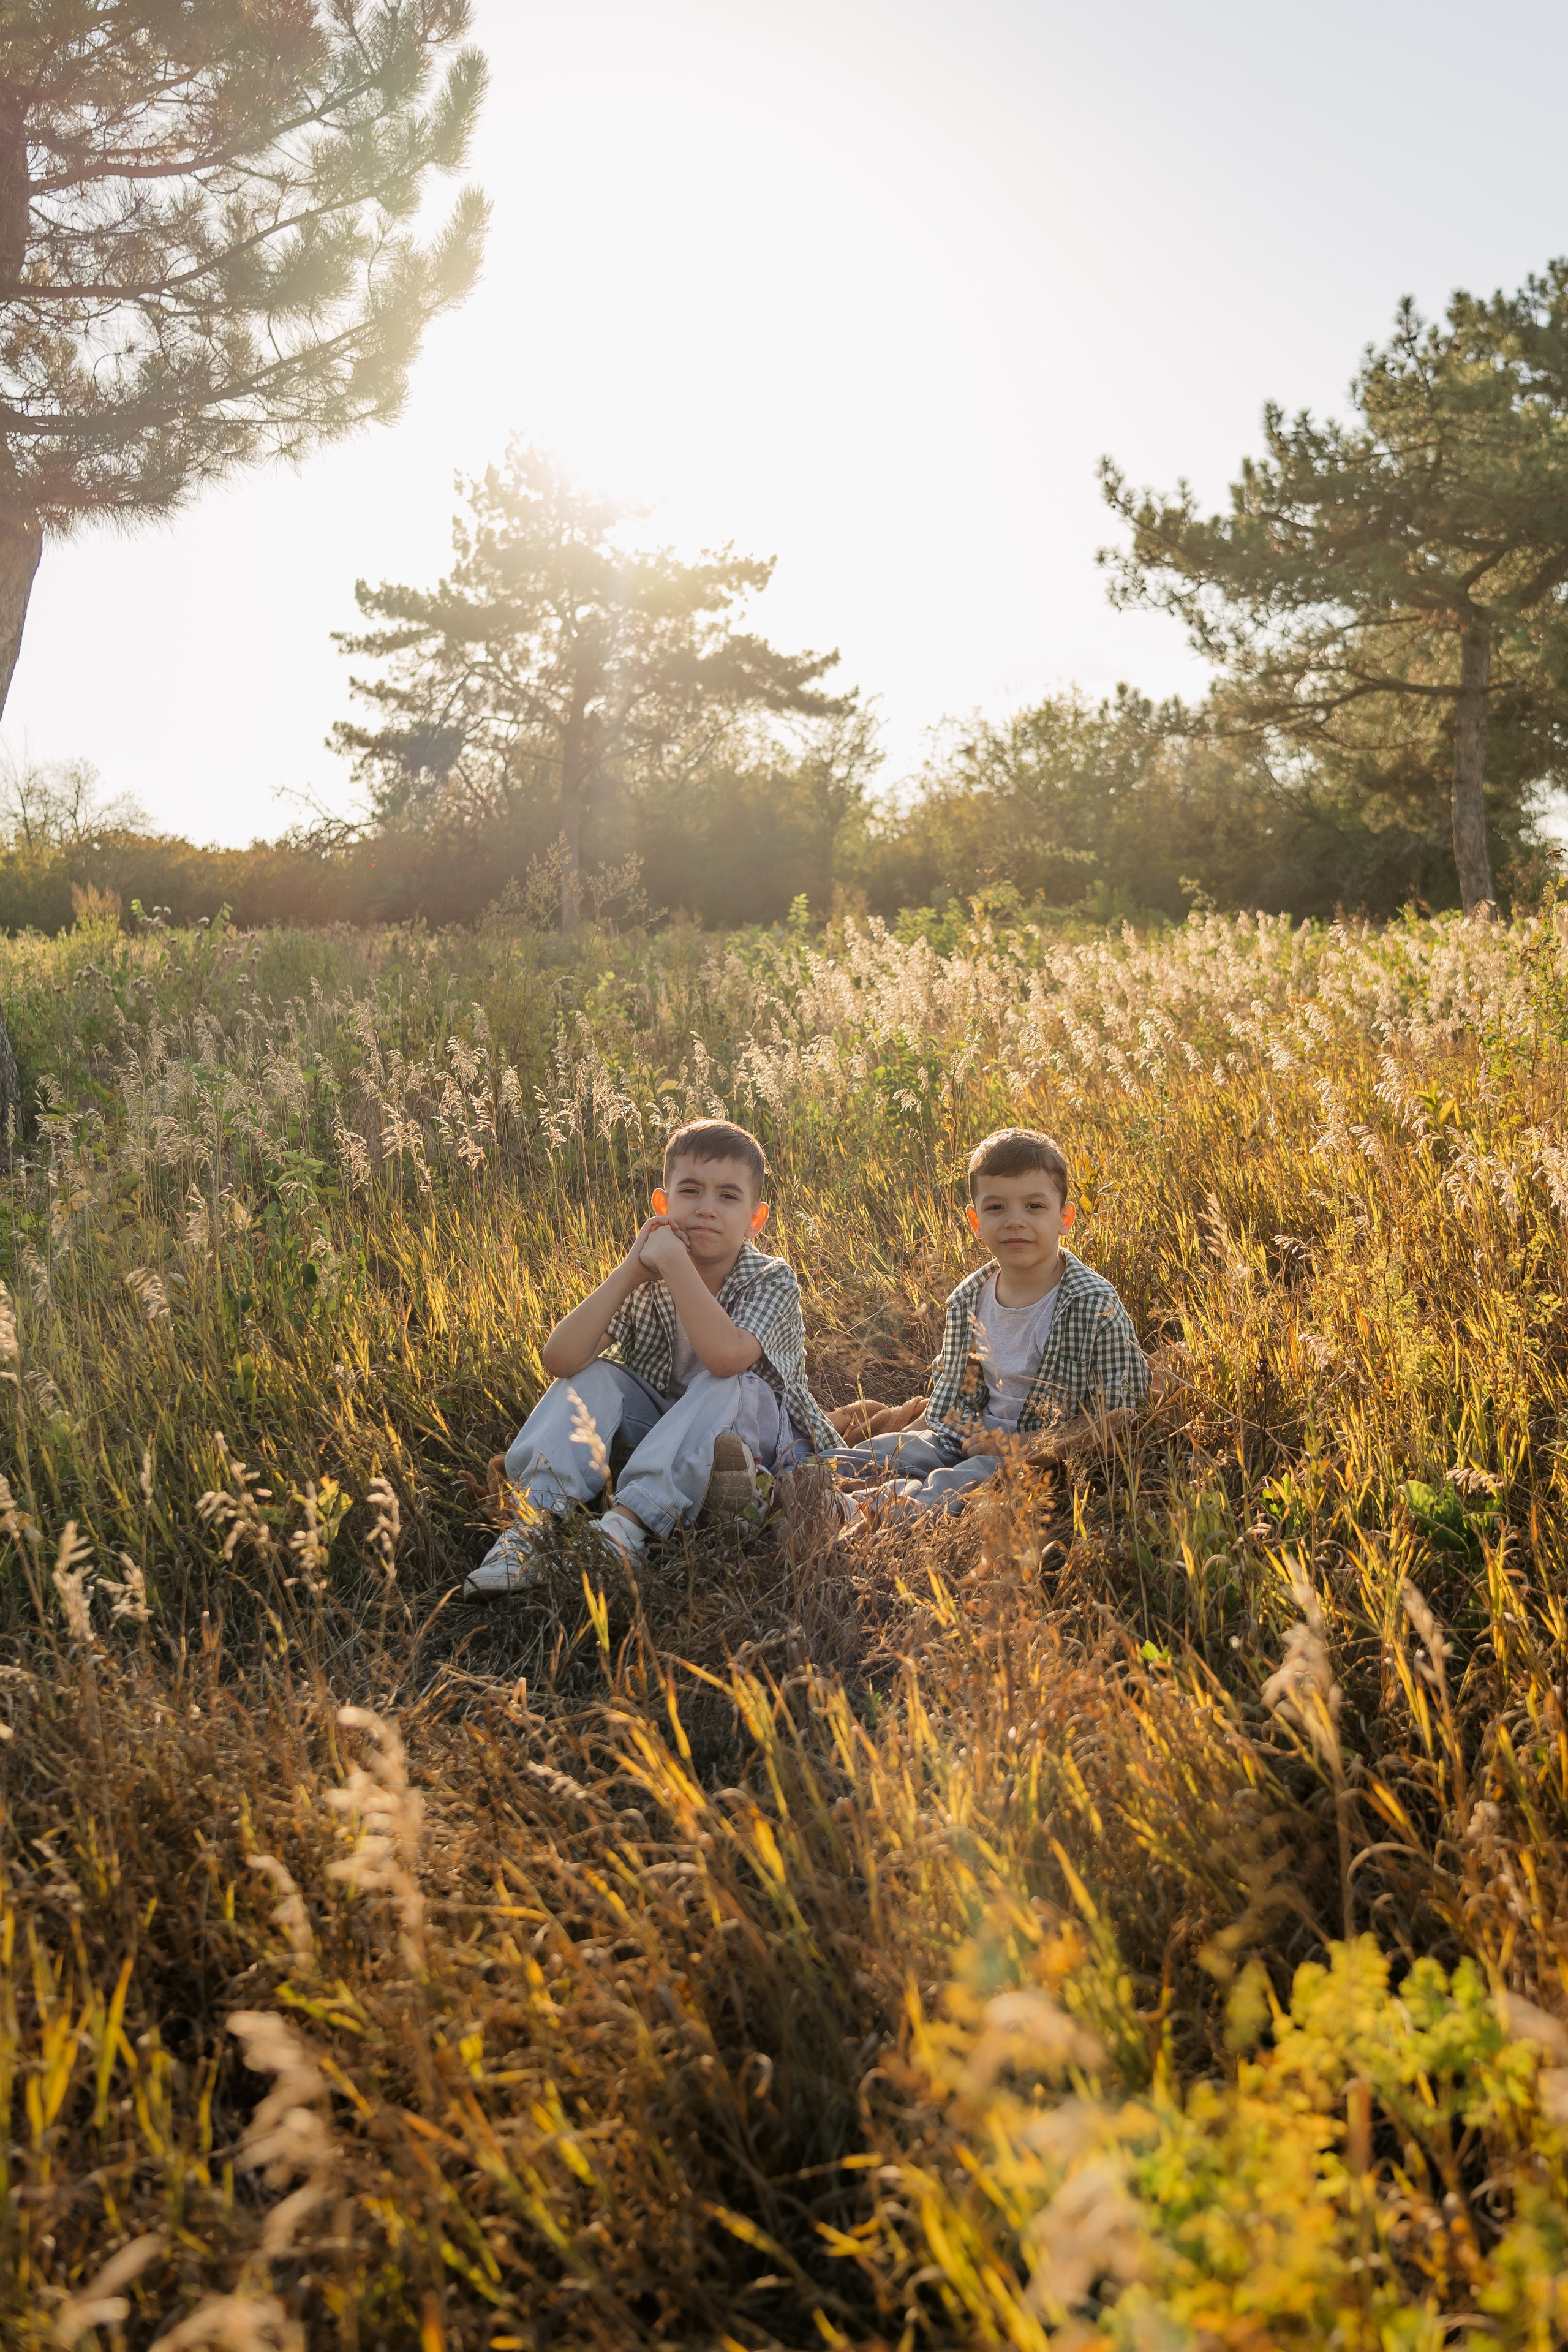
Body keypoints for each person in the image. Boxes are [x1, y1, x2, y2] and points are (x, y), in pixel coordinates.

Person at [464, 1118, 839, 1593]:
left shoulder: (770, 1279)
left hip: (758, 1435)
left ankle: (625, 1529)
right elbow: (559, 1359)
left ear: (755, 1218)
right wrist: (629, 1271)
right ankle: (529, 1526)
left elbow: (726, 1359)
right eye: (690, 1192)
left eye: (727, 1196)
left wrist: (675, 1260)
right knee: (594, 1376)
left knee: (730, 1381)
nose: (706, 1209)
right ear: (663, 1205)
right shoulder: (648, 1279)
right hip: (670, 1431)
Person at [830, 1126, 1149, 1518]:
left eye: (1034, 1206)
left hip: (1037, 1454)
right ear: (976, 1220)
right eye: (996, 1208)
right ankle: (783, 1480)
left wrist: (1022, 1446)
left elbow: (1120, 1412)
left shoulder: (1092, 1304)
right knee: (880, 1451)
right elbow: (952, 1390)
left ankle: (853, 1509)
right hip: (969, 1436)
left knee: (952, 1487)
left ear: (1065, 1217)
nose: (1015, 1221)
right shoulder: (971, 1295)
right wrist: (969, 1431)